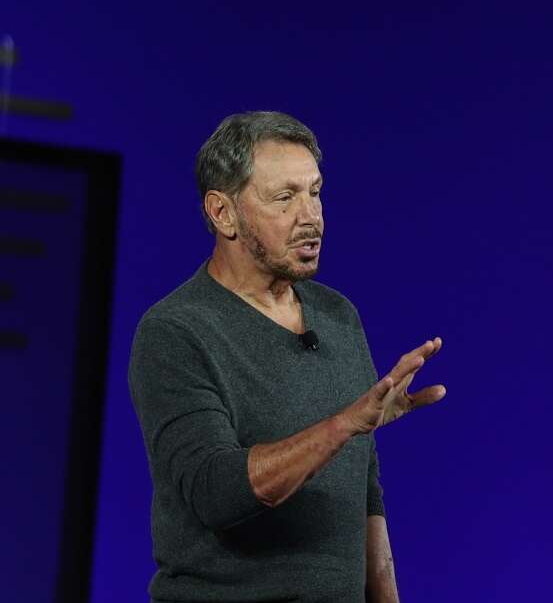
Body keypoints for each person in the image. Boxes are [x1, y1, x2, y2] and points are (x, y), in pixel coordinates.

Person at [128, 111, 446, 602]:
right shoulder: (176, 332)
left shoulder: (338, 316)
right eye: (285, 198)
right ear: (222, 213)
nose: (311, 217)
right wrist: (344, 425)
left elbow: (365, 493)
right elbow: (216, 493)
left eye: (315, 192)